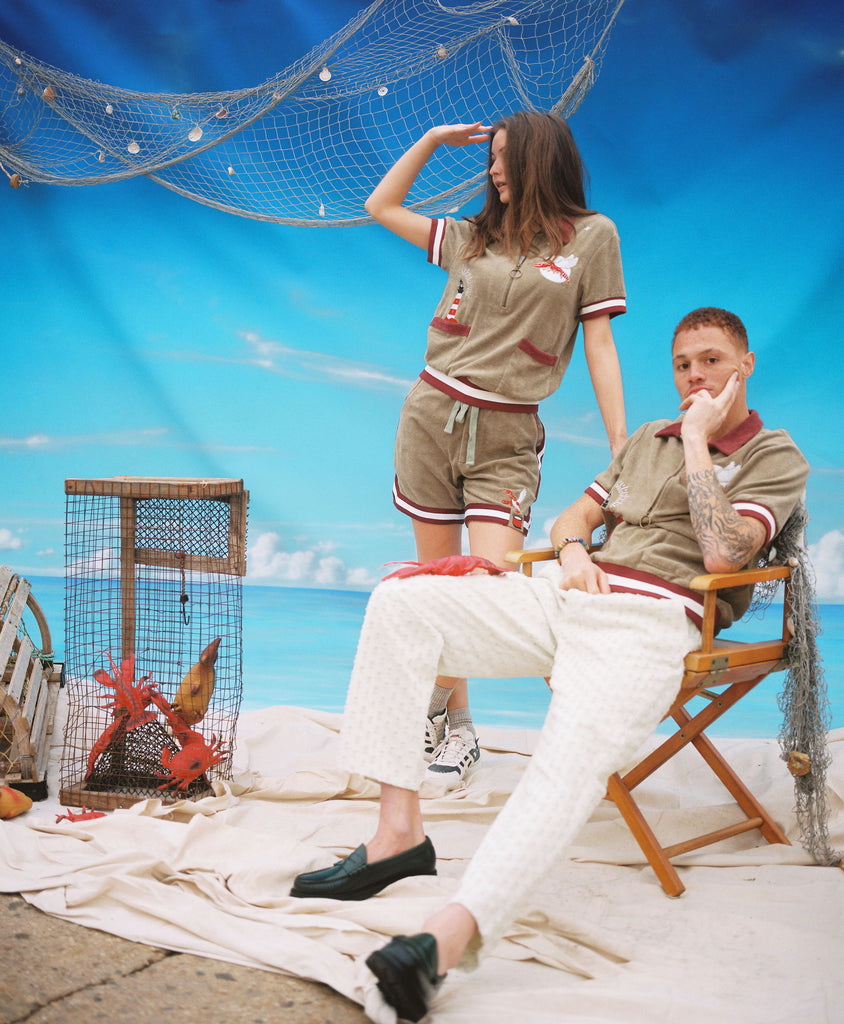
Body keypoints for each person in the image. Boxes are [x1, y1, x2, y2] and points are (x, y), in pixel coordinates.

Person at [290, 307, 809, 1022]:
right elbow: (574, 518)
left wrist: (695, 439)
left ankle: (444, 940)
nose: (696, 376)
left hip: (655, 622)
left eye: (712, 361)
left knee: (568, 757)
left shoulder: (774, 456)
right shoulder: (642, 444)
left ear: (745, 365)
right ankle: (398, 835)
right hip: (569, 597)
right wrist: (570, 552)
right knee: (401, 601)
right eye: (684, 364)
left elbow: (725, 553)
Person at [365, 112, 628, 785]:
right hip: (429, 416)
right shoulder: (472, 238)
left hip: (508, 435)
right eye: (492, 156)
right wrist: (426, 141)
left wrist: (621, 446)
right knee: (438, 590)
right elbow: (380, 205)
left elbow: (598, 343)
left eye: (506, 156)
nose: (494, 167)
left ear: (541, 158)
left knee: (488, 595)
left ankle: (451, 709)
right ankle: (459, 731)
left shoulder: (592, 238)